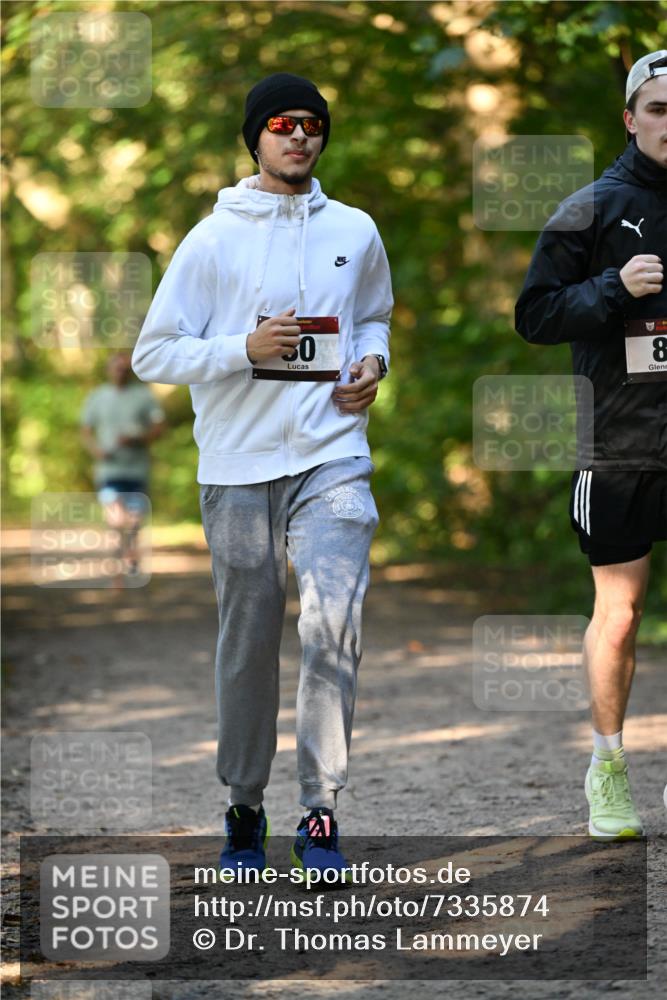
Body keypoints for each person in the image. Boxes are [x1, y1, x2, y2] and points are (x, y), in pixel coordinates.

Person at [131, 73, 393, 876]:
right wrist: (240, 351)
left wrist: (372, 361)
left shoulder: (354, 227)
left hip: (332, 457)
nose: (299, 135)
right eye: (282, 123)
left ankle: (320, 814)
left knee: (330, 624)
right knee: (248, 644)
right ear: (256, 136)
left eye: (313, 124)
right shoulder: (211, 240)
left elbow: (373, 314)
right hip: (238, 468)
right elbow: (154, 353)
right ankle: (244, 808)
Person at [515, 51, 666, 840]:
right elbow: (534, 315)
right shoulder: (593, 207)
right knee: (621, 610)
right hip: (618, 442)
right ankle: (607, 768)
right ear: (630, 118)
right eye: (660, 109)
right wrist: (615, 290)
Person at [81, 351, 165, 583]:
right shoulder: (97, 397)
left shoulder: (144, 396)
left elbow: (159, 428)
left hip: (137, 468)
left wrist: (137, 439)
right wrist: (96, 450)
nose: (120, 372)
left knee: (134, 520)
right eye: (117, 367)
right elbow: (86, 431)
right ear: (109, 369)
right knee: (116, 518)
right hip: (108, 470)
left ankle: (129, 555)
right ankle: (120, 563)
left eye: (125, 369)